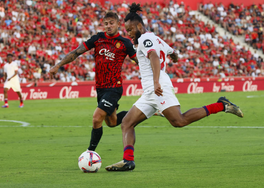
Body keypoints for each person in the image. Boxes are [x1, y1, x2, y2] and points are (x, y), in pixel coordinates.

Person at [105, 3, 243, 171]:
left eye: (131, 30)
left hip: (157, 86)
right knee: (127, 123)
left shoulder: (144, 39)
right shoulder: (154, 37)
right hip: (150, 91)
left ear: (139, 26)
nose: (129, 34)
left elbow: (154, 56)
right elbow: (171, 51)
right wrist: (174, 56)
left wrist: (156, 81)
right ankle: (128, 161)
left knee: (179, 120)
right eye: (127, 31)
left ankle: (221, 105)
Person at [49, 12, 138, 152]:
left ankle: (90, 152)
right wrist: (58, 65)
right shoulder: (98, 39)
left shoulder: (125, 43)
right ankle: (144, 111)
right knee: (112, 122)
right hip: (100, 88)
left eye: (111, 23)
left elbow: (139, 61)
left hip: (114, 87)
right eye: (106, 23)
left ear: (118, 24)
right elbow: (76, 52)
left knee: (97, 118)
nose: (108, 26)